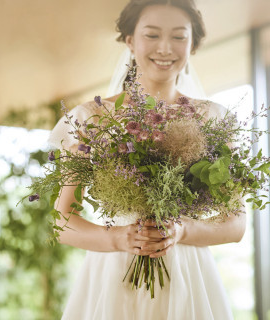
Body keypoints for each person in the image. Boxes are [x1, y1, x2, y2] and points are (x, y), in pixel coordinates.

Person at [48, 0, 246, 319]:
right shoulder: (92, 118)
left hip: (188, 273)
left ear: (192, 43)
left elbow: (236, 224)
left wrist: (181, 230)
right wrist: (115, 238)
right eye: (152, 35)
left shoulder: (213, 120)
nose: (165, 48)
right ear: (130, 40)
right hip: (113, 272)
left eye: (179, 36)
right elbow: (62, 220)